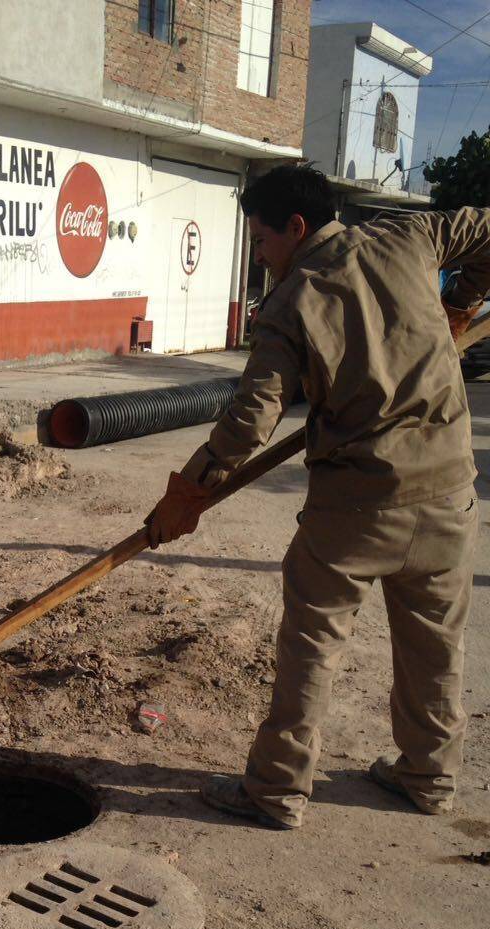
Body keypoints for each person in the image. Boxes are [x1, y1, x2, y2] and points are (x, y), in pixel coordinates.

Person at [146, 165, 485, 830]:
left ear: (295, 228)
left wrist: (187, 493)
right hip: (449, 494)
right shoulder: (412, 236)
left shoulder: (290, 302)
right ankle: (429, 776)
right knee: (436, 645)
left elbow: (250, 421)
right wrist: (462, 303)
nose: (260, 255)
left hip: (356, 510)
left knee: (312, 646)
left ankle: (276, 790)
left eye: (261, 240)